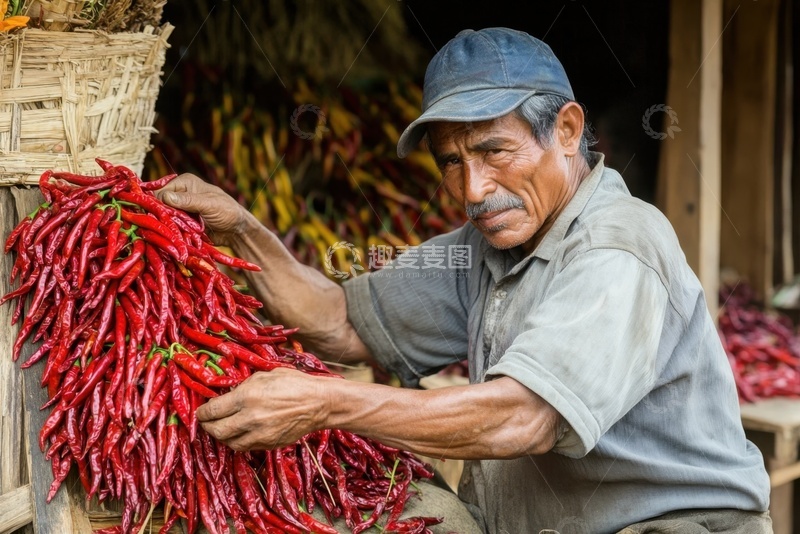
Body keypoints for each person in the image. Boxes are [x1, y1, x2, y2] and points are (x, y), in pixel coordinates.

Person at [157, 27, 772, 534]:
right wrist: (240, 228)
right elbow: (342, 321)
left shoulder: (618, 246)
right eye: (452, 162)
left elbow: (524, 418)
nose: (473, 191)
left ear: (565, 129)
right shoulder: (481, 250)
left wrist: (328, 404)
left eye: (495, 152)